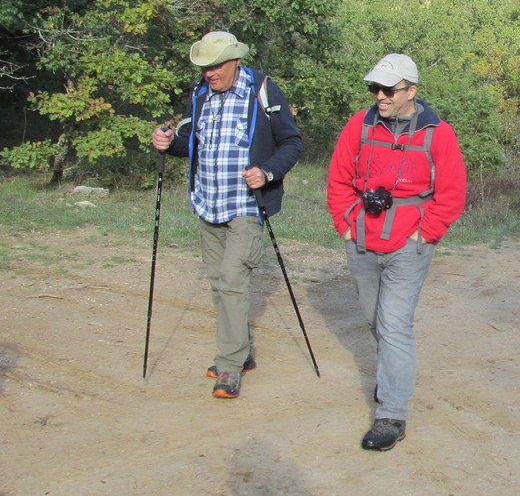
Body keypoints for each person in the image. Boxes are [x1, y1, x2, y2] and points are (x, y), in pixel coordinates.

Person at [151, 31, 302, 400]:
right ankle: (242, 352)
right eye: (204, 66)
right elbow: (196, 146)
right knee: (220, 285)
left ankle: (230, 366)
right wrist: (170, 144)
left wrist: (267, 172)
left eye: (216, 65)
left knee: (233, 281)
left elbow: (292, 142)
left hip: (246, 206)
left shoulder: (262, 90)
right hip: (208, 203)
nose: (209, 72)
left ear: (236, 60)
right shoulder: (201, 95)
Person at [327, 54, 466, 452]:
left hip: (410, 244)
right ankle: (393, 376)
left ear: (411, 91)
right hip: (363, 239)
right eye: (375, 88)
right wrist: (346, 223)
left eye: (389, 89)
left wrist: (427, 233)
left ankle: (391, 414)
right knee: (375, 319)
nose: (380, 96)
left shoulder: (438, 133)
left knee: (393, 322)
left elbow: (452, 191)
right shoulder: (360, 124)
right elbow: (338, 178)